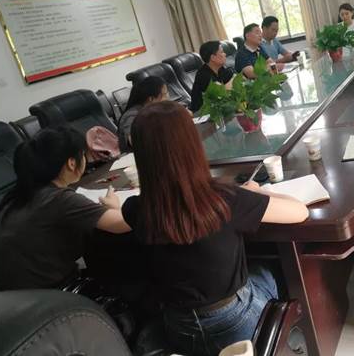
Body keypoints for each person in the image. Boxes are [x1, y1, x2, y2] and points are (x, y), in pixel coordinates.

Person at [122, 100, 308, 354]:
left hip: (178, 326)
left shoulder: (134, 208)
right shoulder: (223, 199)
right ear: (192, 145)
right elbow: (299, 211)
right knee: (269, 271)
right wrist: (257, 192)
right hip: (235, 323)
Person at [0, 127, 131, 291]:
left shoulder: (17, 196)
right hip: (49, 296)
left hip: (9, 297)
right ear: (71, 163)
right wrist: (114, 207)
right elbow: (123, 223)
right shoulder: (59, 199)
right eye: (83, 155)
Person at [117, 76, 168, 152]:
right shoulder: (132, 115)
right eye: (165, 94)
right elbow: (134, 141)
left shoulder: (154, 110)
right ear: (151, 99)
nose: (168, 97)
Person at [189, 41, 235, 113]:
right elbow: (223, 92)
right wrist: (234, 79)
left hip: (218, 109)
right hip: (201, 113)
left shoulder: (221, 69)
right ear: (213, 57)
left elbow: (239, 80)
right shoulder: (203, 75)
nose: (225, 54)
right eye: (222, 52)